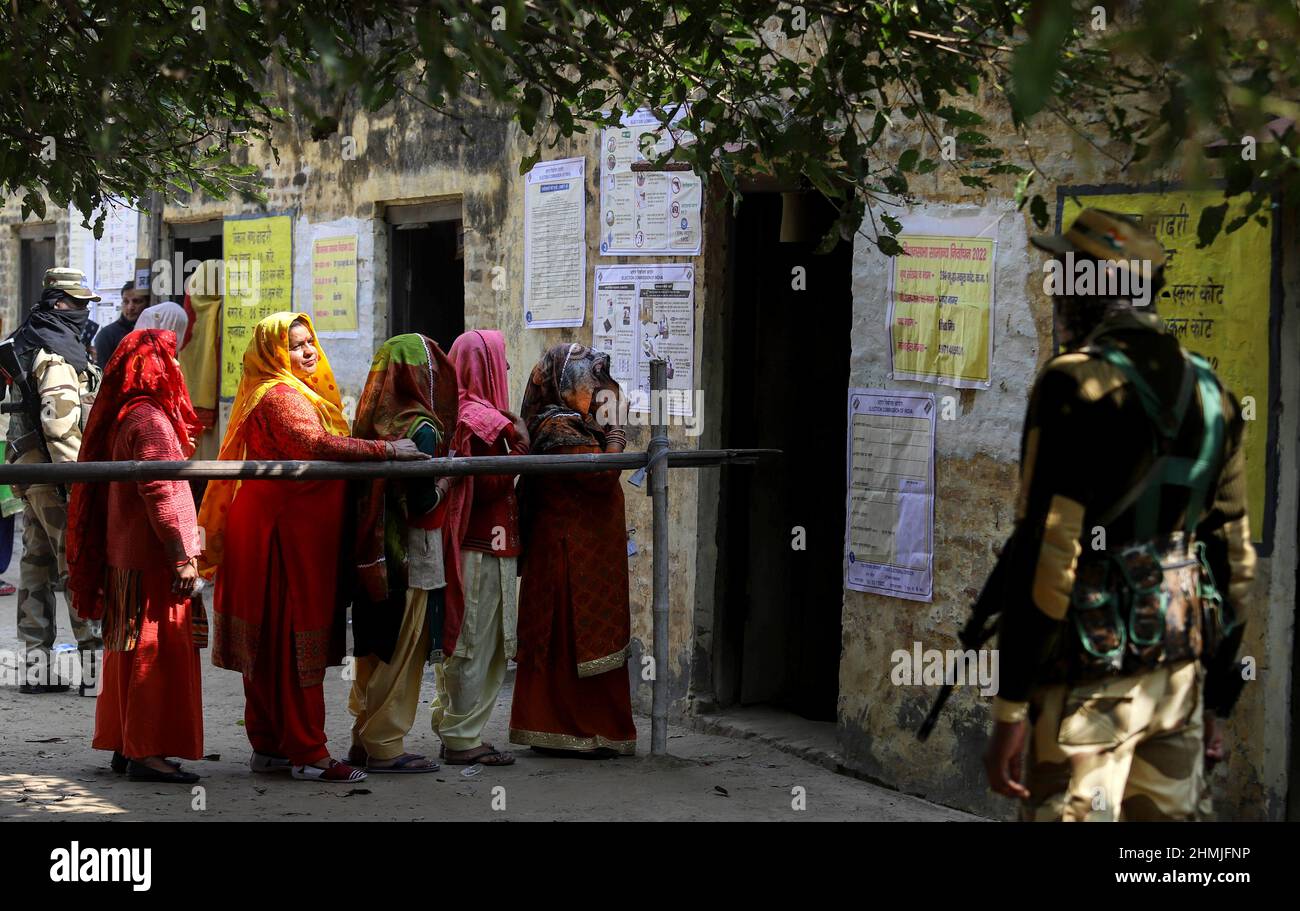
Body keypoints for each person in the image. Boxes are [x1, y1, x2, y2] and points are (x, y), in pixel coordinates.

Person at [984, 209, 1256, 821]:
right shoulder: (1213, 391)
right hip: (1178, 677)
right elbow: (1234, 563)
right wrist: (1220, 698)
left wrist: (1010, 708)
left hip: (1087, 673)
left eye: (1066, 273)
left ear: (1092, 285)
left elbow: (1049, 554)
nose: (1057, 288)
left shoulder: (1073, 382)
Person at [198, 313, 427, 783]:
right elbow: (315, 444)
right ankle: (308, 753)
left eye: (309, 343)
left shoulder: (290, 391)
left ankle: (272, 749)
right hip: (281, 536)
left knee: (274, 642)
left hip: (290, 530)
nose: (306, 352)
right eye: (294, 345)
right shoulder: (279, 396)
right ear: (272, 353)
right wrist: (387, 451)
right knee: (288, 640)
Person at [67, 329, 205, 783]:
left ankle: (127, 744)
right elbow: (160, 493)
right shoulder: (150, 420)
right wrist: (181, 556)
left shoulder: (131, 413)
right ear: (155, 367)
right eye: (172, 358)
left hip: (129, 557)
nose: (179, 367)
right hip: (149, 561)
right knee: (151, 655)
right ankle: (146, 752)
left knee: (126, 652)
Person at [509, 344, 636, 758]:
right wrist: (616, 435)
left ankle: (595, 730)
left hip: (588, 553)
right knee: (565, 636)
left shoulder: (577, 423)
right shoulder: (556, 427)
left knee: (585, 635)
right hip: (566, 553)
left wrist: (608, 429)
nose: (599, 388)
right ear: (566, 384)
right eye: (591, 379)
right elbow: (598, 474)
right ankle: (566, 729)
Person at [348, 334, 459, 773]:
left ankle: (362, 738)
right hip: (408, 557)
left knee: (373, 649)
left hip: (370, 557)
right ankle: (385, 745)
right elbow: (424, 504)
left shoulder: (371, 418)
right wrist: (451, 477)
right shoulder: (423, 427)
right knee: (403, 650)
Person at [430, 329, 528, 767]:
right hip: (481, 549)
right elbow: (490, 485)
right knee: (476, 644)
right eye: (500, 362)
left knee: (462, 642)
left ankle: (454, 728)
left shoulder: (456, 411)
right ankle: (463, 739)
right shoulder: (482, 419)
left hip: (470, 547)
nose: (505, 370)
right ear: (484, 367)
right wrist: (521, 443)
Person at [5, 267, 103, 695]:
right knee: (77, 566)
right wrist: (77, 483)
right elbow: (60, 425)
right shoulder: (56, 349)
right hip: (58, 477)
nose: (83, 312)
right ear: (60, 303)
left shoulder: (28, 339)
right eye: (79, 304)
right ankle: (94, 668)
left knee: (36, 568)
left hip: (32, 474)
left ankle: (34, 667)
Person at [92, 281, 149, 369]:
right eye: (126, 301)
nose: (130, 307)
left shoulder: (152, 332)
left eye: (137, 301)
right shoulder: (107, 335)